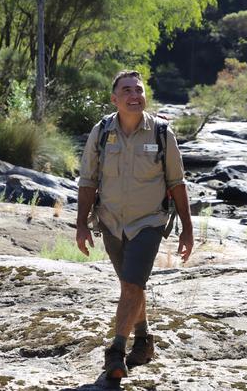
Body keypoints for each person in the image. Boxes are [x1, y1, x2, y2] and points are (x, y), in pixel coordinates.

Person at [76, 70, 194, 380]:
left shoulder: (161, 132)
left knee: (131, 284)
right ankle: (143, 339)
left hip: (149, 222)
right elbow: (88, 181)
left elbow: (177, 182)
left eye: (139, 90)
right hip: (111, 222)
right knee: (131, 284)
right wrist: (81, 225)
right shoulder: (101, 132)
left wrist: (188, 228)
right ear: (114, 99)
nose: (134, 95)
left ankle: (116, 352)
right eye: (126, 90)